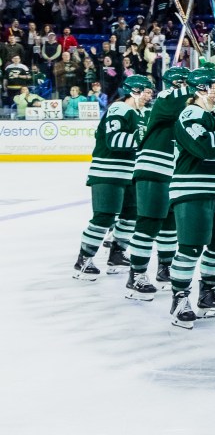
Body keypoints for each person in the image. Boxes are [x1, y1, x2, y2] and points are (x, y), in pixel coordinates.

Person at [164, 68, 215, 327]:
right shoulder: (190, 114)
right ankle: (179, 298)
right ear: (201, 89)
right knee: (190, 247)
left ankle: (209, 292)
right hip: (192, 190)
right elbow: (205, 147)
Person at [72, 75, 155, 281]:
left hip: (130, 172)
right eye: (146, 91)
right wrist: (143, 136)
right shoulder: (119, 109)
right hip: (108, 172)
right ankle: (84, 259)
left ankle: (117, 255)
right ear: (134, 91)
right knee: (105, 216)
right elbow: (115, 141)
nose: (149, 95)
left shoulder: (142, 112)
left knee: (131, 215)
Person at [127, 67, 191, 296]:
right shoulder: (166, 98)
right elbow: (176, 100)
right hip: (154, 169)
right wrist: (198, 82)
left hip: (171, 172)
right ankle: (136, 274)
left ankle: (165, 268)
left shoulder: (188, 106)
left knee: (169, 222)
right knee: (149, 221)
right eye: (186, 83)